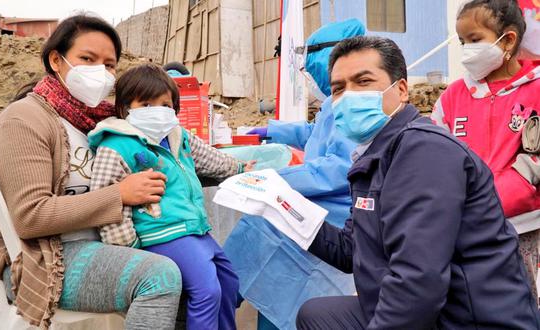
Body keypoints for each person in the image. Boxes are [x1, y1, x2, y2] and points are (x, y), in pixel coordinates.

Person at [295, 36, 540, 329]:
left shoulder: (423, 152)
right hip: (434, 306)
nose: (349, 97)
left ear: (401, 90)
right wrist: (279, 206)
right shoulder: (375, 154)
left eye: (363, 82)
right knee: (317, 314)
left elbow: (418, 283)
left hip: (467, 317)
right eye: (339, 89)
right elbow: (350, 250)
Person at [0, 15, 182, 329]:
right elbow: (30, 217)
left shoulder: (97, 121)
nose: (100, 73)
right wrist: (118, 195)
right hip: (49, 255)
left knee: (195, 265)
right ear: (56, 60)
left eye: (109, 65)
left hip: (99, 243)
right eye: (87, 59)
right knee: (160, 276)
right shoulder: (24, 119)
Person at [87, 64, 252, 329]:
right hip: (161, 233)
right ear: (124, 109)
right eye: (146, 104)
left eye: (165, 105)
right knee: (206, 290)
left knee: (229, 283)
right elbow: (106, 200)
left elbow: (211, 159)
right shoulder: (116, 146)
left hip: (193, 228)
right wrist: (129, 250)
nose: (158, 112)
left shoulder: (177, 136)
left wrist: (241, 168)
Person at [224, 19, 365, 329]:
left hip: (335, 209)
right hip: (320, 198)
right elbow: (315, 131)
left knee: (262, 228)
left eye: (308, 63)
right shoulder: (333, 102)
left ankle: (224, 297)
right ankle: (226, 294)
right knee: (260, 228)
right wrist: (271, 131)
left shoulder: (351, 106)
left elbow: (339, 169)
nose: (307, 73)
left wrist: (276, 181)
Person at [432, 0, 540, 302]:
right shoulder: (454, 95)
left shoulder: (536, 89)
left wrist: (499, 195)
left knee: (516, 299)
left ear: (507, 40)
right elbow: (435, 152)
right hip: (460, 223)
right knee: (466, 300)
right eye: (463, 40)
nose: (467, 48)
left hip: (517, 225)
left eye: (475, 39)